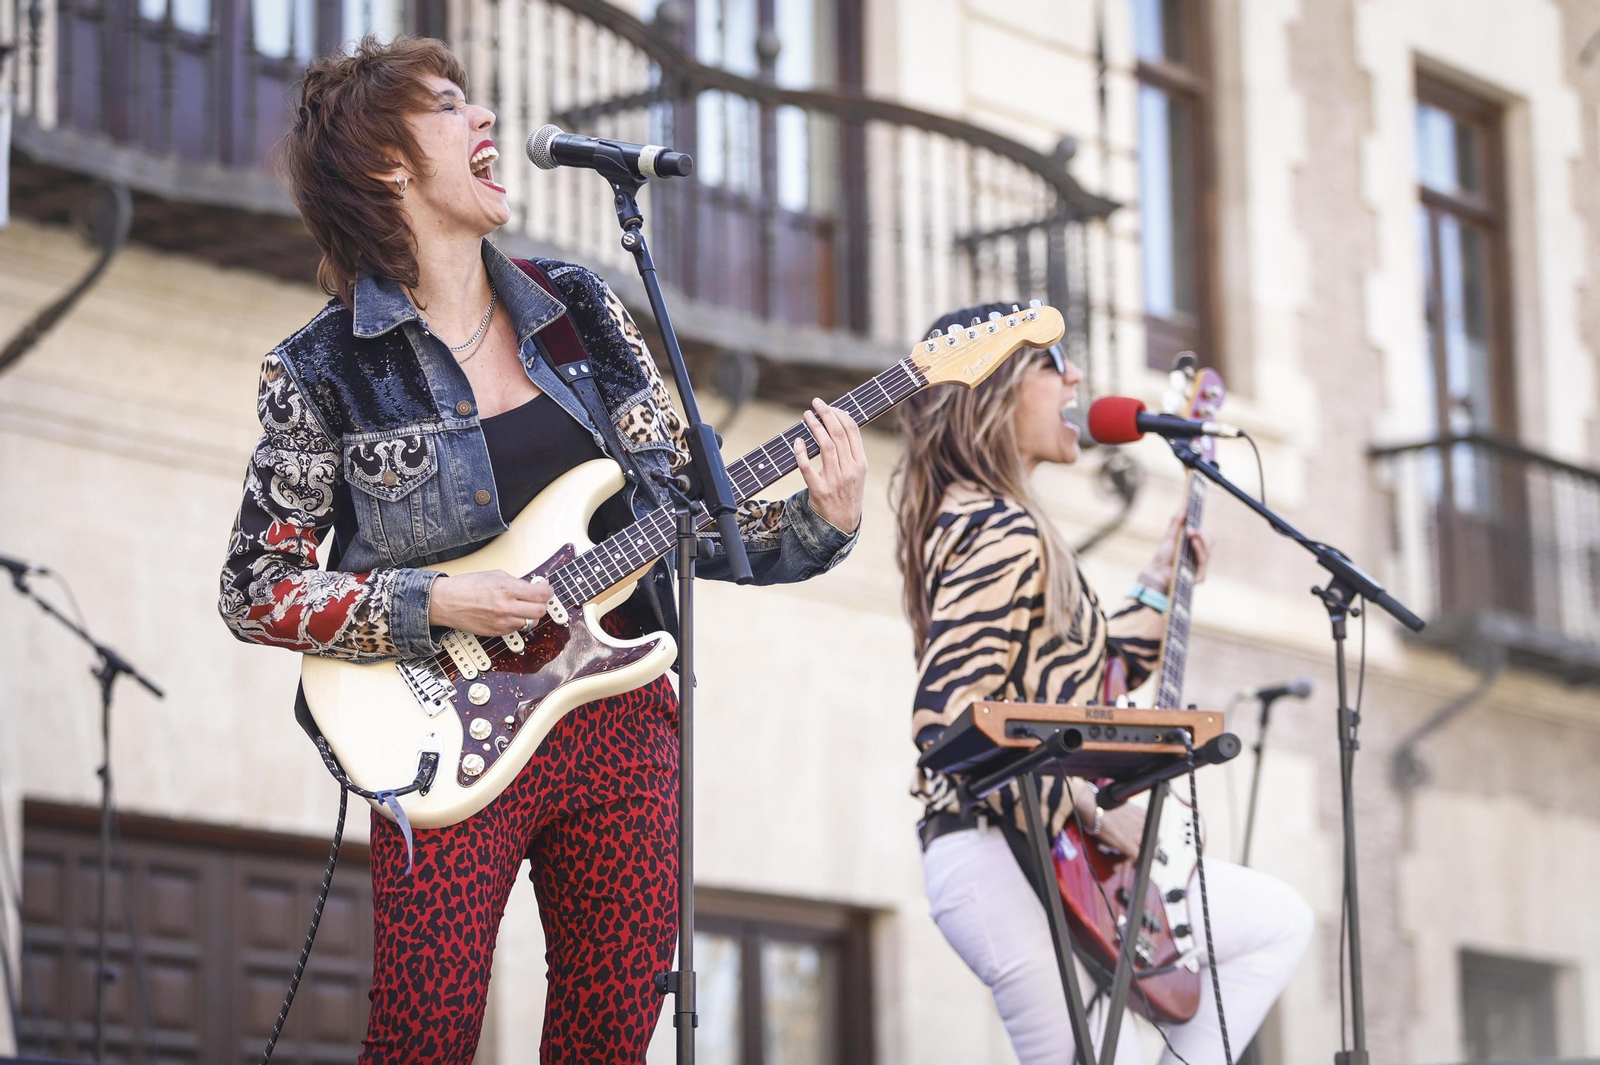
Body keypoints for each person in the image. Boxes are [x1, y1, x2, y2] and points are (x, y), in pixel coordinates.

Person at [217, 36, 866, 1064]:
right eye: (448, 107)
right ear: (387, 162)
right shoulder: (322, 367)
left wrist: (820, 520)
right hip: (443, 736)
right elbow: (257, 589)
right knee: (420, 1040)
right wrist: (434, 600)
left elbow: (681, 518)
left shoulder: (583, 311)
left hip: (618, 719)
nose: (484, 121)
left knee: (610, 1037)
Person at [891, 303, 1311, 1064]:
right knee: (1277, 922)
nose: (1076, 375)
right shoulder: (1001, 529)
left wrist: (1160, 583)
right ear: (991, 388)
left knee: (1276, 919)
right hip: (1000, 854)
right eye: (1052, 363)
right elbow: (948, 714)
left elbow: (1091, 674)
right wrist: (1087, 800)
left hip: (1007, 852)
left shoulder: (998, 522)